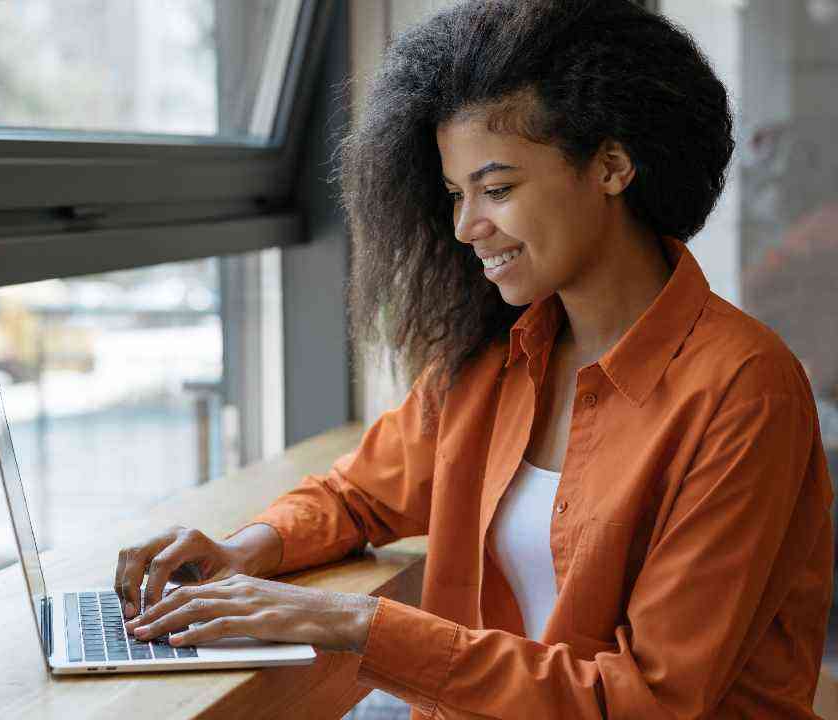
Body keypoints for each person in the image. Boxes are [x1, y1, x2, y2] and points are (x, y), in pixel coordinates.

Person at [114, 0, 835, 716]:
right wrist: (247, 550)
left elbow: (648, 699)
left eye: (498, 189)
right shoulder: (497, 356)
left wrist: (344, 621)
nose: (466, 226)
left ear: (612, 166)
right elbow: (359, 493)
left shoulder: (744, 389)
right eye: (457, 194)